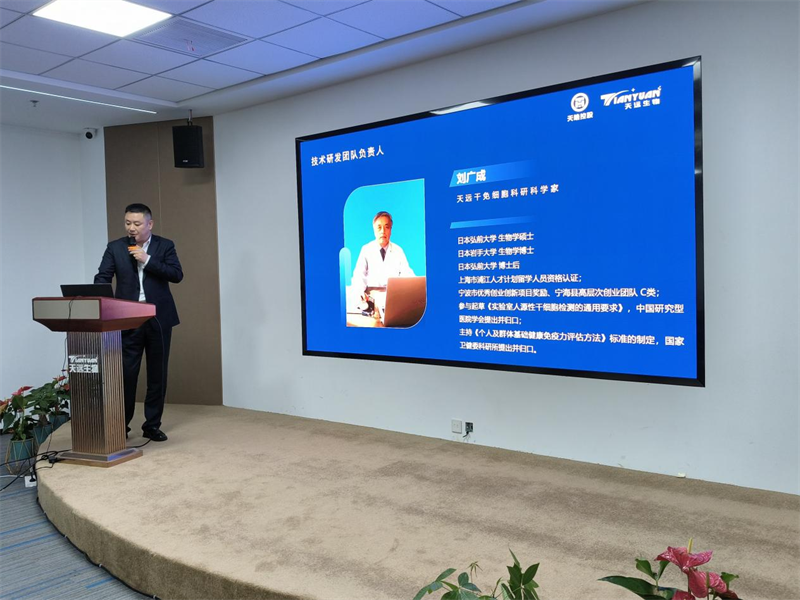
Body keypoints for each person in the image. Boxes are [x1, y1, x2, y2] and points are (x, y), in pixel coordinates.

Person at [94, 203, 183, 442]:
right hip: (127, 319)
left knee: (157, 374)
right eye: (127, 223)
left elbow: (177, 275)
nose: (131, 228)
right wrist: (103, 304)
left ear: (149, 224)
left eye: (137, 223)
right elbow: (102, 278)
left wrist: (147, 259)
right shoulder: (115, 247)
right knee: (125, 375)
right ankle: (120, 425)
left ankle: (152, 426)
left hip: (158, 318)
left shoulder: (165, 245)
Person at [352, 211, 415, 311]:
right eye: (379, 227)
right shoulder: (366, 249)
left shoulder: (398, 251)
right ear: (374, 229)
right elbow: (359, 276)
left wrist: (415, 285)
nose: (383, 231)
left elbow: (407, 274)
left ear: (391, 230)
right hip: (372, 300)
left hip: (393, 299)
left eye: (387, 227)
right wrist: (360, 294)